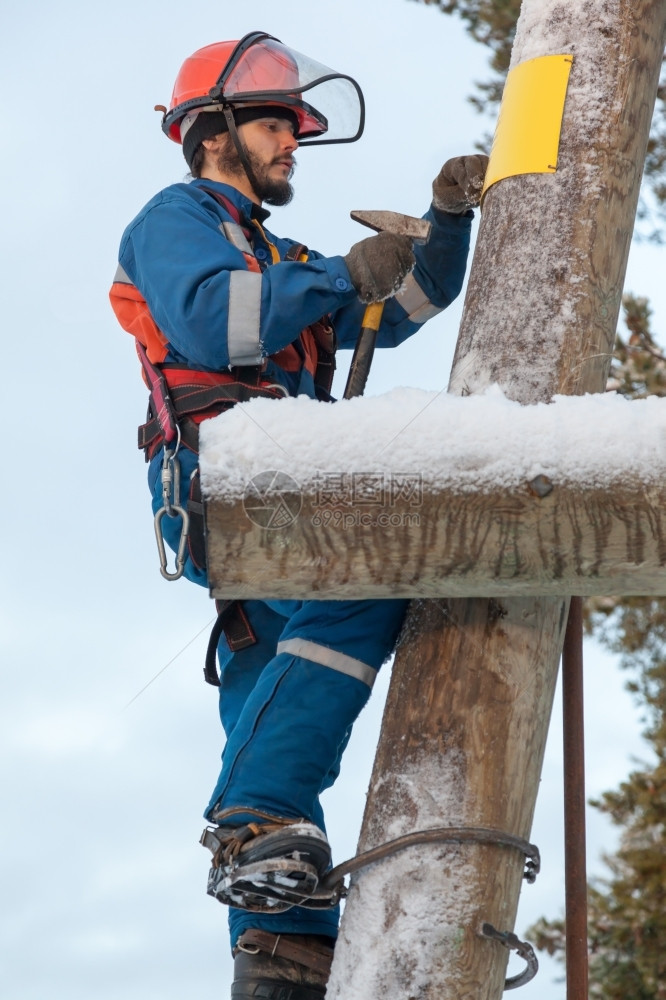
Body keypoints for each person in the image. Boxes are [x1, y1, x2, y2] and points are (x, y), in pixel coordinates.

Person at [111, 31, 487, 1000]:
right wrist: (337, 276)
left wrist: (445, 224)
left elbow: (399, 304)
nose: (291, 145)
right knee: (370, 580)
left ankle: (282, 953)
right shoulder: (179, 218)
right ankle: (256, 812)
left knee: (270, 697)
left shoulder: (280, 255)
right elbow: (209, 322)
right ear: (213, 130)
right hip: (232, 476)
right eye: (277, 124)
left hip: (279, 492)